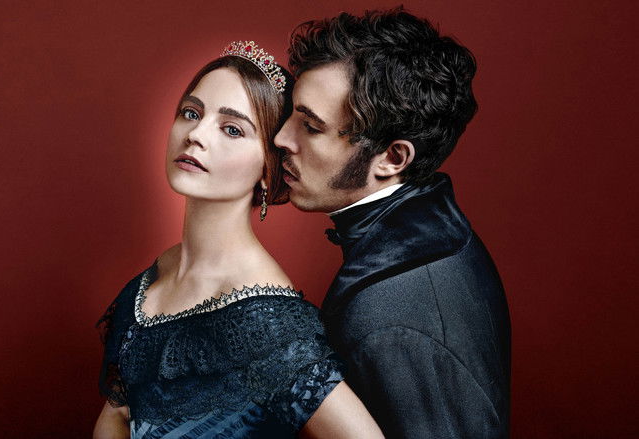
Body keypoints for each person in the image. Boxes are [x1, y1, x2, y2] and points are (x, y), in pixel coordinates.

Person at [93, 41, 383, 439]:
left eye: (232, 129)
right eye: (191, 113)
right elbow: (117, 415)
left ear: (268, 169)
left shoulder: (263, 319)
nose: (196, 135)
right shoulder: (161, 271)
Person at [274, 9, 511, 438]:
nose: (281, 139)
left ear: (392, 158)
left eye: (310, 126)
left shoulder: (393, 319)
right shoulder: (434, 235)